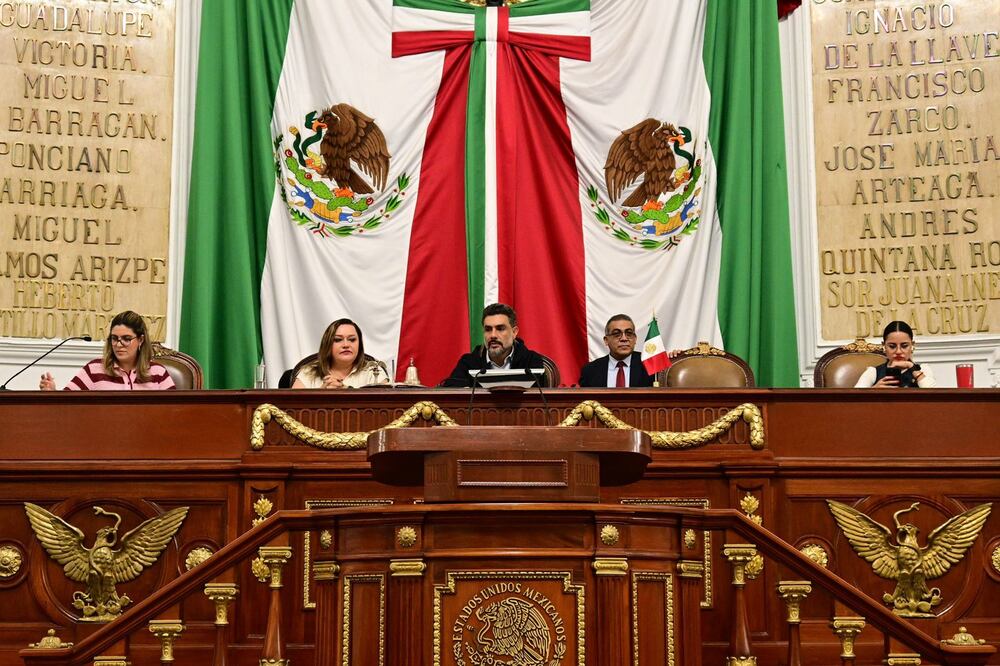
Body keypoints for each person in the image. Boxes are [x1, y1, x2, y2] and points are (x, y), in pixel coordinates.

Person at [39, 311, 176, 391]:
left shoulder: (158, 372)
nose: (119, 344)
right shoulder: (94, 369)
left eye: (126, 339)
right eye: (114, 338)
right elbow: (69, 405)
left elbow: (173, 412)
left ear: (140, 340)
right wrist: (53, 392)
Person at [441, 303, 547, 387]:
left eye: (500, 329)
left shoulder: (531, 361)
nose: (493, 335)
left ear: (514, 332)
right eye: (488, 329)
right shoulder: (469, 363)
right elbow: (451, 393)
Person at [292, 318, 390, 388]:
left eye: (352, 339)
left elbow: (386, 406)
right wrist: (321, 395)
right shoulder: (308, 372)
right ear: (328, 344)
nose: (346, 345)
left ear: (359, 345)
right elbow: (293, 407)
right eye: (338, 340)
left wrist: (346, 390)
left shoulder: (374, 371)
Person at [579, 314, 656, 387]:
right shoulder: (590, 370)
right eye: (617, 334)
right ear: (606, 340)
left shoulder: (650, 364)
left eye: (629, 333)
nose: (624, 339)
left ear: (635, 339)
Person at [854, 320, 936, 388]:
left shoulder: (923, 369)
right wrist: (874, 390)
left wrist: (911, 366)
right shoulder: (873, 372)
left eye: (904, 346)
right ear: (884, 346)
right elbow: (854, 399)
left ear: (912, 345)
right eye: (892, 346)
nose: (898, 351)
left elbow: (935, 397)